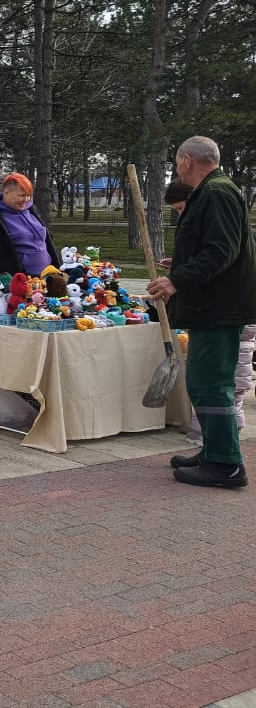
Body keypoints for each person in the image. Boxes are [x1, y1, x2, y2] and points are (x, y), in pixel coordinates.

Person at [148, 136, 256, 489]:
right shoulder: (213, 191)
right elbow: (214, 248)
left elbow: (221, 251)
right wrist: (179, 263)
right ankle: (214, 452)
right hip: (211, 306)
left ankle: (226, 464)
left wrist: (176, 280)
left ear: (187, 160)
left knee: (211, 385)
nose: (177, 167)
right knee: (203, 382)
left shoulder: (216, 193)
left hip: (218, 308)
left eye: (177, 161)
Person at [0, 172, 60, 281]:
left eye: (28, 195)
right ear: (6, 192)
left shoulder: (33, 212)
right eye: (21, 195)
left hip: (47, 278)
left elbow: (48, 243)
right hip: (18, 283)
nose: (25, 200)